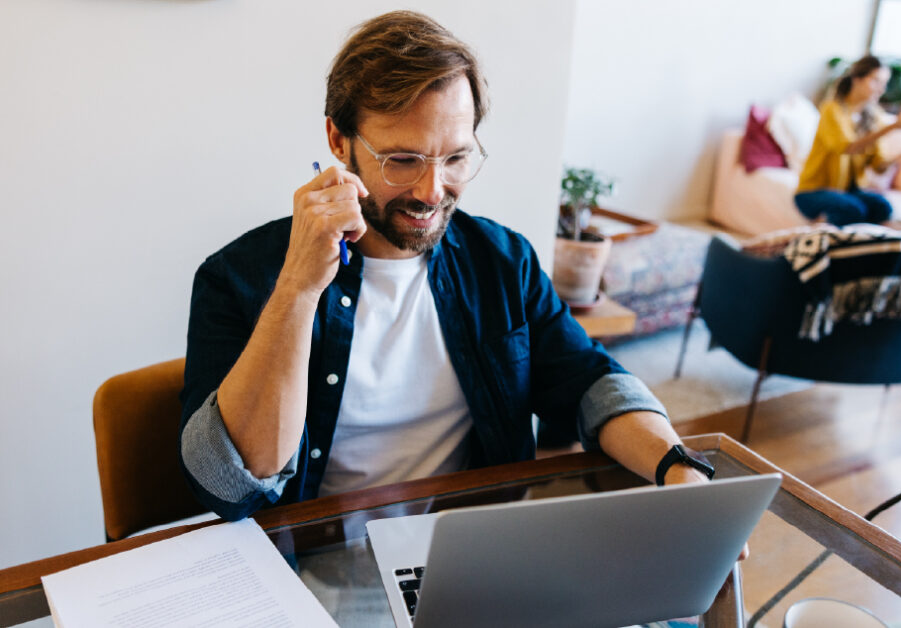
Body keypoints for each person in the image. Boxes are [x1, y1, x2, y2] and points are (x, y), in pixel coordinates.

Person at [178, 11, 711, 522]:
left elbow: (591, 382)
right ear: (339, 141)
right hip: (310, 569)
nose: (431, 192)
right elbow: (229, 486)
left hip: (465, 556)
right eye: (403, 160)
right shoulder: (236, 278)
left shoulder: (502, 262)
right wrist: (297, 289)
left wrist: (677, 467)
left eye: (455, 158)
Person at [795, 55, 901, 227]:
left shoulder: (874, 117)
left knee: (882, 207)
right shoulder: (832, 109)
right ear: (856, 79)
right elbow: (846, 147)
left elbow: (878, 167)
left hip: (848, 191)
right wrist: (891, 127)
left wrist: (897, 160)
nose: (881, 89)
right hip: (813, 191)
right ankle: (823, 237)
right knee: (852, 209)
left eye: (884, 83)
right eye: (876, 81)